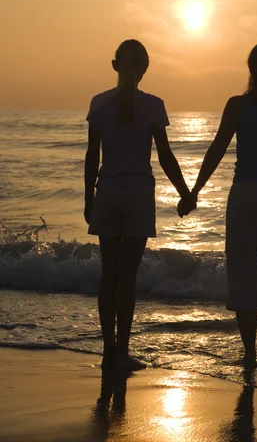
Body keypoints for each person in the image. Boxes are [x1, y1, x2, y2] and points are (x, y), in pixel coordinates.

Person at [180, 42, 257, 367]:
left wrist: (194, 192)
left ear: (250, 70)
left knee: (243, 276)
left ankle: (250, 353)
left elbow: (216, 150)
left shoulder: (237, 106)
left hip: (246, 194)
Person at [84, 39, 194, 371]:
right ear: (145, 68)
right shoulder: (154, 106)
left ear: (115, 65)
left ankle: (108, 351)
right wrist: (185, 192)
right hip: (138, 196)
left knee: (109, 275)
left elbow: (92, 156)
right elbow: (165, 156)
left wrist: (88, 196)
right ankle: (122, 351)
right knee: (127, 278)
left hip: (108, 193)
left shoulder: (99, 104)